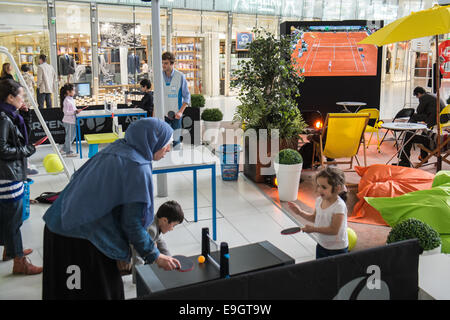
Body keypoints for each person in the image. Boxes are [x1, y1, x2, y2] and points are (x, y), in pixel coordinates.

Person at [42, 117, 181, 300]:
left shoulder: (118, 148)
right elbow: (131, 223)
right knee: (95, 291)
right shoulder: (137, 166)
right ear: (152, 141)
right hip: (78, 239)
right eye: (167, 143)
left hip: (58, 227)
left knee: (69, 292)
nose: (168, 149)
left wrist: (121, 251)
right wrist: (155, 256)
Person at [0, 79, 42, 275]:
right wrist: (25, 151)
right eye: (21, 95)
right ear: (10, 97)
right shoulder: (4, 118)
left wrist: (27, 114)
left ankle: (12, 250)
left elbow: (23, 136)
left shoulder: (11, 115)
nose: (23, 98)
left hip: (10, 173)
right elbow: (2, 149)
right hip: (7, 176)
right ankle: (19, 261)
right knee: (14, 219)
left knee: (11, 218)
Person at [288, 167, 348, 259]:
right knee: (320, 270)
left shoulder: (339, 206)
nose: (319, 190)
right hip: (321, 244)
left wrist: (313, 229)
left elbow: (334, 230)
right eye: (318, 186)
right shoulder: (319, 200)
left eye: (324, 187)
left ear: (337, 188)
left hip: (337, 248)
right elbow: (315, 218)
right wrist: (300, 212)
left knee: (335, 273)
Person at [395, 86, 445, 167]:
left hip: (433, 119)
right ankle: (423, 157)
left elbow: (419, 110)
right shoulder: (432, 95)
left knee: (413, 118)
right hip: (439, 119)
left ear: (418, 94)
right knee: (422, 134)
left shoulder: (424, 97)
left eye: (416, 96)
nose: (417, 98)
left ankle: (410, 130)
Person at [129, 200, 184, 273]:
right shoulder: (152, 230)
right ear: (164, 220)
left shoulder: (156, 221)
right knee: (152, 250)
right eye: (173, 225)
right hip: (127, 248)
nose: (172, 229)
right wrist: (139, 278)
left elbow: (161, 242)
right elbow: (138, 254)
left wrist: (169, 258)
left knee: (155, 246)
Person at [161, 51, 191, 148]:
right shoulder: (159, 76)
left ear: (172, 64)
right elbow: (156, 96)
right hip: (163, 114)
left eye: (166, 63)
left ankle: (177, 160)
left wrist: (180, 112)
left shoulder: (180, 76)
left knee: (176, 141)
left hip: (176, 115)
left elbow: (186, 96)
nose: (163, 65)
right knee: (164, 142)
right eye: (163, 63)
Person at [59, 83, 80, 157]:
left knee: (72, 136)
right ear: (68, 91)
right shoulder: (66, 101)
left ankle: (64, 149)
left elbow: (73, 109)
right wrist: (75, 112)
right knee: (69, 137)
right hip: (69, 121)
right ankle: (69, 152)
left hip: (72, 121)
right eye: (73, 90)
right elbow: (66, 112)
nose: (74, 92)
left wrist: (76, 110)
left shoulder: (71, 99)